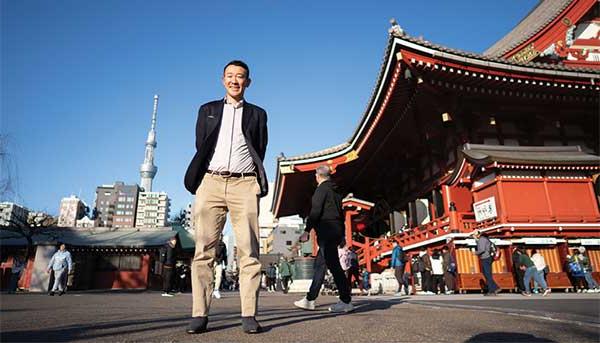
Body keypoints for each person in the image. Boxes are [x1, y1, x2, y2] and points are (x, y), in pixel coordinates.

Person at [183, 60, 268, 335]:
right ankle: (199, 314)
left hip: (244, 185)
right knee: (203, 251)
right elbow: (201, 144)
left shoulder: (258, 114)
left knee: (249, 250)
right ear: (222, 80)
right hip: (211, 182)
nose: (235, 81)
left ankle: (249, 314)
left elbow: (260, 148)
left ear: (248, 82)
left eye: (240, 77)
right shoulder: (207, 110)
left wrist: (250, 179)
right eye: (230, 76)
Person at [295, 165, 353, 313]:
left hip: (326, 231)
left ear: (317, 175)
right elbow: (340, 215)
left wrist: (307, 230)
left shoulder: (321, 190)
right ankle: (310, 299)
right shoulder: (336, 192)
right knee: (321, 265)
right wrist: (341, 235)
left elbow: (315, 211)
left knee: (334, 267)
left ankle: (345, 300)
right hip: (335, 230)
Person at [471, 230, 501, 296]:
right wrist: (476, 239)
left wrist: (475, 253)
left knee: (487, 275)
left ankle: (491, 291)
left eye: (474, 235)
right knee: (487, 274)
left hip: (485, 258)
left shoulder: (482, 240)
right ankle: (495, 287)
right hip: (488, 257)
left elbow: (482, 249)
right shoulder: (485, 239)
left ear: (477, 234)